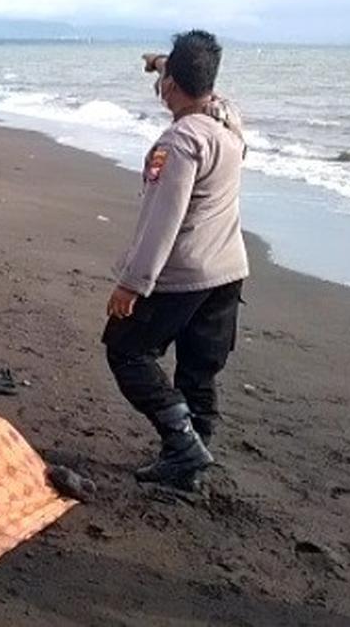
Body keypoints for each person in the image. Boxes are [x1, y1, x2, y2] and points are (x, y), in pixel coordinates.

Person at [102, 30, 248, 491]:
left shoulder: (180, 142)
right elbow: (199, 86)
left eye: (165, 80)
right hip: (228, 271)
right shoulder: (228, 121)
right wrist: (164, 64)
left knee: (126, 350)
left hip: (184, 272)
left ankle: (183, 445)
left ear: (171, 87)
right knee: (198, 369)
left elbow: (163, 219)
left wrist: (133, 283)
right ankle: (193, 459)